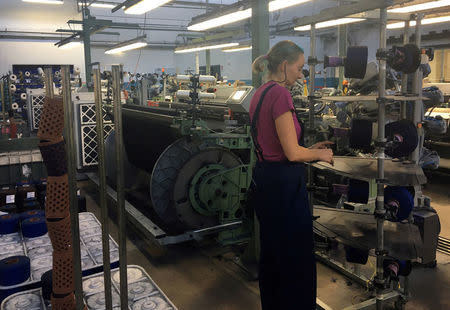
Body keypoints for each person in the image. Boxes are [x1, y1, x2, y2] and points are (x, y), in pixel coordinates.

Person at [249, 40, 334, 310]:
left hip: (265, 180)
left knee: (274, 255)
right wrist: (319, 155)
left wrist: (307, 149)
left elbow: (281, 146)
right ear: (284, 66)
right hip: (284, 187)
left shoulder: (259, 93)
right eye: (298, 68)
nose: (300, 74)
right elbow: (292, 155)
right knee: (295, 260)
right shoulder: (280, 94)